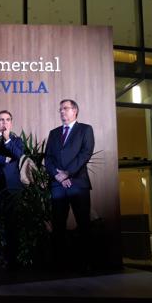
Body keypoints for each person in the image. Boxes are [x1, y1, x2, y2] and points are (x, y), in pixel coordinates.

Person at [44, 99, 95, 271]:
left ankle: (86, 263)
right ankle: (60, 263)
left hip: (77, 183)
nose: (62, 112)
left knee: (83, 223)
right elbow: (48, 157)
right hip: (58, 184)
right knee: (58, 224)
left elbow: (85, 153)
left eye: (65, 108)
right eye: (60, 109)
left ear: (75, 111)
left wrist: (68, 173)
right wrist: (58, 176)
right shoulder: (54, 133)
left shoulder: (85, 129)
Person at [0, 110, 25, 269]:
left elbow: (20, 155)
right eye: (1, 120)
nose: (4, 122)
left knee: (12, 222)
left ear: (11, 123)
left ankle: (12, 258)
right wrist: (5, 159)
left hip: (12, 187)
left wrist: (8, 140)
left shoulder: (16, 140)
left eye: (7, 120)